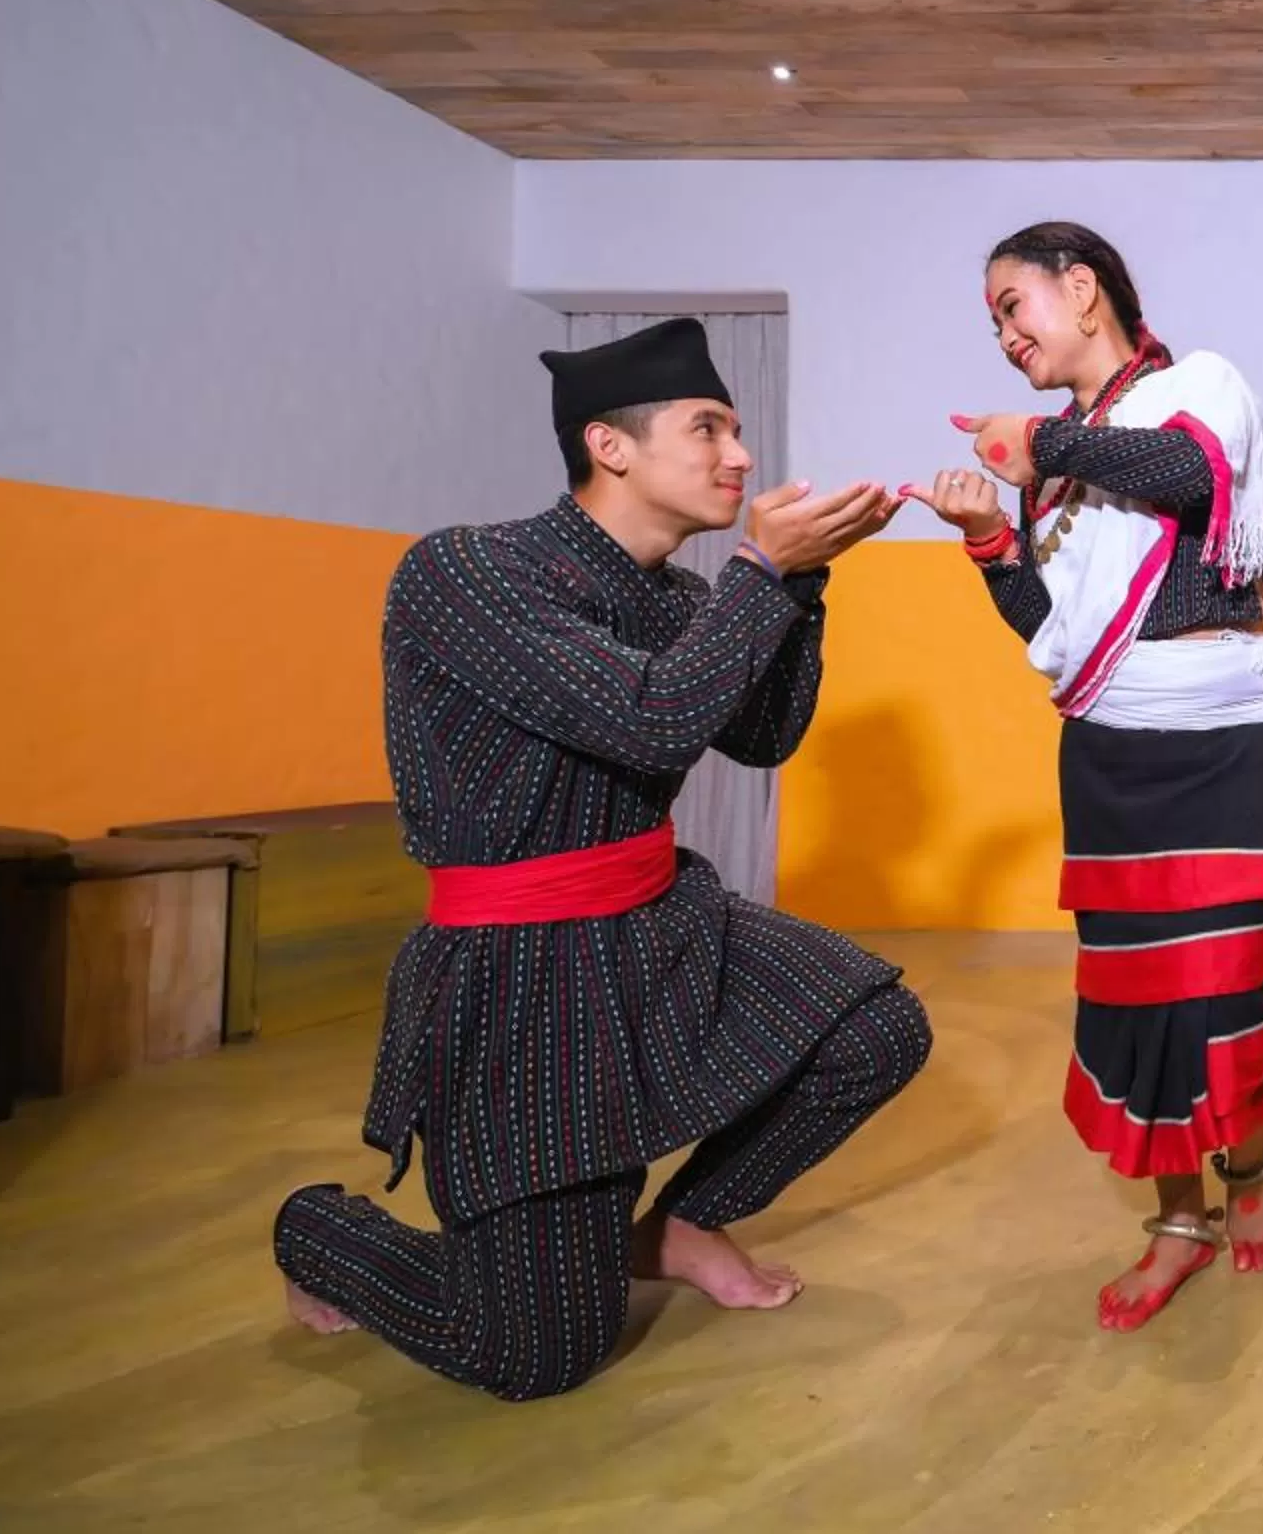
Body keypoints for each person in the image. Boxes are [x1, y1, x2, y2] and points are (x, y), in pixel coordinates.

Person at [272, 318, 929, 1402]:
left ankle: (676, 1228)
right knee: (533, 1355)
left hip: (659, 919)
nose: (741, 455)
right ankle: (318, 1230)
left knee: (875, 1031)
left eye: (736, 427)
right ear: (610, 446)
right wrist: (765, 573)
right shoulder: (467, 572)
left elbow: (761, 736)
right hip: (521, 974)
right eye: (707, 427)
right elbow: (655, 721)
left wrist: (801, 589)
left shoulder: (675, 598)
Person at [918, 221, 1263, 1334]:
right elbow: (1053, 636)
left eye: (1012, 305)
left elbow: (1192, 475)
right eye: (992, 319)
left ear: (1083, 290)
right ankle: (1178, 1221)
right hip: (1111, 752)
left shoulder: (1196, 387)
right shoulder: (1060, 469)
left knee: (1222, 990)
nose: (1002, 333)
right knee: (1136, 1002)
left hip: (1226, 742)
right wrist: (995, 539)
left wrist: (1043, 443)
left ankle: (1256, 1157)